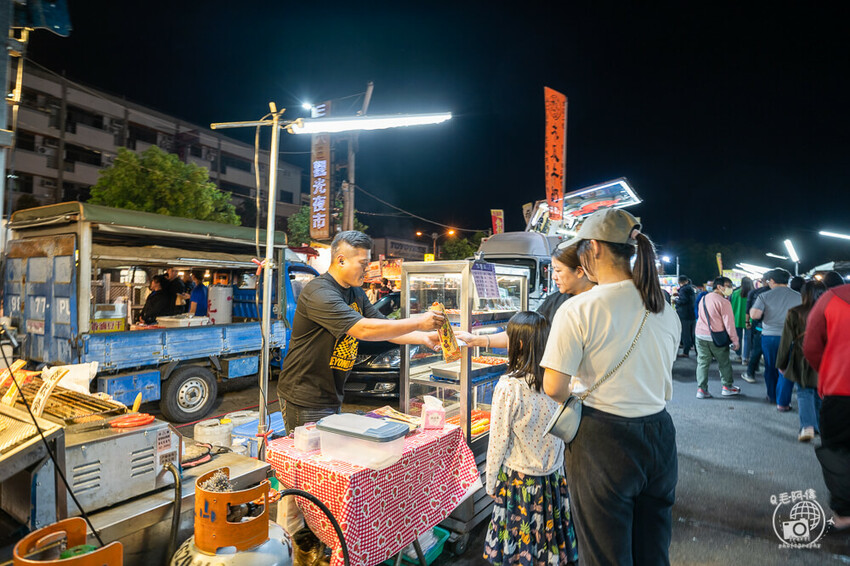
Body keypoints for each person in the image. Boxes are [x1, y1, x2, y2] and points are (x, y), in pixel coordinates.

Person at [541, 208, 681, 566]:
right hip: (660, 435)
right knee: (653, 550)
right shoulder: (663, 305)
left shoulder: (578, 309)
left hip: (604, 440)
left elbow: (554, 387)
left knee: (606, 555)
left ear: (595, 248)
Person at [277, 231, 443, 433]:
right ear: (341, 260)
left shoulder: (355, 291)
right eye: (363, 264)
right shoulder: (319, 292)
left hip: (332, 392)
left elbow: (382, 326)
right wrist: (418, 322)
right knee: (308, 458)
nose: (367, 270)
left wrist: (424, 338)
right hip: (304, 395)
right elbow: (364, 329)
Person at [483, 311, 578, 565]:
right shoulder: (558, 382)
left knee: (521, 548)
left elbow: (498, 441)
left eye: (510, 337)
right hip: (554, 478)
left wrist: (490, 482)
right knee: (548, 544)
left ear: (520, 344)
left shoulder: (508, 387)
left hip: (519, 483)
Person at [456, 242, 594, 349]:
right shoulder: (554, 301)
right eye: (553, 270)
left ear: (579, 271)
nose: (553, 277)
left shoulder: (598, 303)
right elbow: (525, 334)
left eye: (558, 270)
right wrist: (475, 340)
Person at [803, 279, 850, 532]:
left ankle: (844, 514)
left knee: (838, 451)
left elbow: (811, 346)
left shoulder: (831, 298)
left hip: (840, 392)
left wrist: (829, 370)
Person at [777, 280, 826, 441]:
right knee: (819, 392)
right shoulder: (831, 311)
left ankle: (808, 427)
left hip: (802, 356)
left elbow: (786, 341)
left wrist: (782, 363)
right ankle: (818, 425)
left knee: (804, 391)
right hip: (826, 358)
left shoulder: (794, 312)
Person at [750, 268, 801, 410]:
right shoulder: (799, 296)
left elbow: (754, 315)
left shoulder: (764, 296)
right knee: (787, 369)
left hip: (770, 337)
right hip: (792, 338)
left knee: (771, 367)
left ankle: (772, 396)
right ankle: (783, 402)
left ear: (772, 281)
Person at [694, 276, 740, 398]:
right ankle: (727, 387)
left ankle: (701, 390)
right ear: (719, 287)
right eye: (728, 286)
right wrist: (735, 341)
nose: (730, 289)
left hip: (700, 335)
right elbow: (729, 324)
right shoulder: (724, 302)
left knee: (702, 363)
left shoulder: (703, 298)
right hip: (716, 337)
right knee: (724, 363)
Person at [730, 276, 753, 362]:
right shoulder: (753, 293)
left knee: (737, 338)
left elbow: (731, 306)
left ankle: (738, 355)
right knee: (748, 339)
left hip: (736, 319)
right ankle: (746, 358)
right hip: (750, 319)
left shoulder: (735, 293)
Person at [674, 275, 697, 358]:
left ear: (680, 282)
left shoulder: (683, 290)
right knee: (693, 334)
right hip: (692, 315)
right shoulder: (691, 289)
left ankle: (686, 352)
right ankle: (697, 351)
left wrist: (676, 300)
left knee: (685, 334)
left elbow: (683, 300)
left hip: (684, 315)